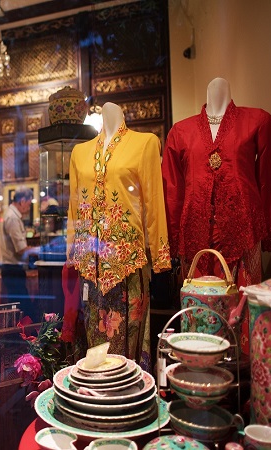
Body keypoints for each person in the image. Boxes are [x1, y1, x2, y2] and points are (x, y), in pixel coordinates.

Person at [161, 77, 271, 355]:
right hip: (194, 240)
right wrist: (170, 240)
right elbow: (173, 191)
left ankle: (242, 375)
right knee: (198, 314)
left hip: (242, 236)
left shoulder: (258, 121)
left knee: (242, 314)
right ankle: (198, 367)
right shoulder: (180, 131)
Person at [66, 102, 171, 371]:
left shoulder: (145, 144)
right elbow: (74, 206)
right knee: (93, 353)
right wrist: (71, 251)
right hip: (90, 270)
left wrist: (160, 257)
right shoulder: (79, 152)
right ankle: (94, 395)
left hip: (128, 267)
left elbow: (154, 202)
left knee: (127, 357)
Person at [0, 186, 40, 319]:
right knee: (24, 310)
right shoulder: (13, 218)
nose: (28, 208)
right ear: (22, 201)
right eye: (28, 204)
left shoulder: (11, 215)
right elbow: (21, 249)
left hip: (12, 269)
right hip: (13, 269)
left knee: (19, 309)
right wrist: (40, 250)